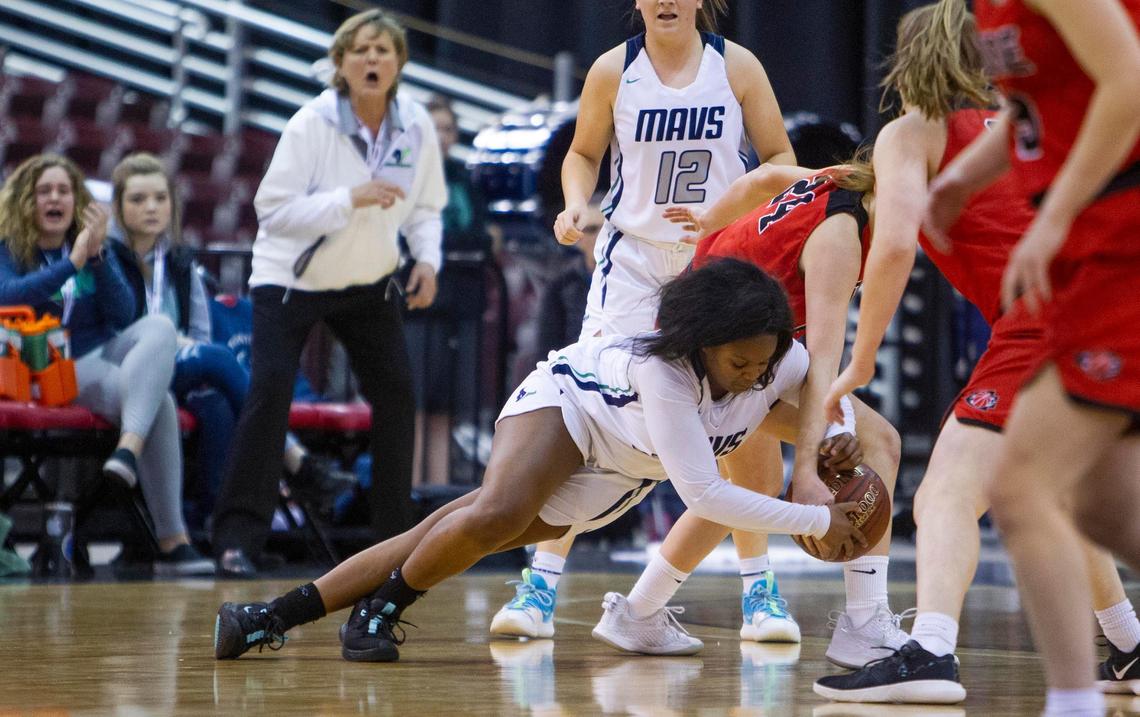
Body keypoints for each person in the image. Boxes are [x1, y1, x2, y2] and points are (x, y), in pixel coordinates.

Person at [213, 258, 868, 663]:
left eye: (763, 364)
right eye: (738, 363)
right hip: (568, 406)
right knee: (495, 513)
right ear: (700, 344)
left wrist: (835, 427)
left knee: (446, 532)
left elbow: (820, 393)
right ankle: (380, 611)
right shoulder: (663, 373)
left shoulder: (776, 359)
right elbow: (705, 496)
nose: (754, 374)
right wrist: (812, 521)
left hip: (619, 472)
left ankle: (270, 617)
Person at [803, 0, 1140, 704]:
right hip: (1093, 290)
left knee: (946, 491)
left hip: (1046, 308)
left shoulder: (910, 132)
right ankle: (1130, 643)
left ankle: (930, 647)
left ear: (908, 61)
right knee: (1071, 495)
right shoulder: (1024, 124)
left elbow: (893, 245)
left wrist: (861, 361)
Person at [492, 0, 798, 641]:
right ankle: (539, 586)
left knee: (750, 400)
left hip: (716, 256)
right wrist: (577, 203)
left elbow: (779, 162)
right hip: (632, 263)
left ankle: (760, 589)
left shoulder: (736, 65)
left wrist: (731, 208)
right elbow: (581, 154)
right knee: (585, 411)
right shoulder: (613, 69)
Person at [919, 1, 1140, 715]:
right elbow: (1032, 107)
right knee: (1100, 506)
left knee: (1020, 486)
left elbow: (1131, 83)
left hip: (1121, 240)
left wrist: (1052, 215)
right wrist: (960, 180)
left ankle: (1071, 702)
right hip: (1092, 251)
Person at [594, 158, 906, 664]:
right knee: (879, 441)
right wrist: (806, 472)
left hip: (707, 324)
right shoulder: (841, 240)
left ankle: (638, 612)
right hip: (728, 351)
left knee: (748, 489)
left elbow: (763, 179)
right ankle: (865, 623)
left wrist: (708, 230)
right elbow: (822, 365)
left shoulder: (842, 178)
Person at [209, 9, 447, 577]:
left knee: (396, 394)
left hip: (367, 281)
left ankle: (395, 543)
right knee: (268, 396)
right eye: (361, 50)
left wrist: (430, 261)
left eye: (384, 51)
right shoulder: (311, 124)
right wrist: (349, 199)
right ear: (340, 63)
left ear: (399, 64)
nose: (372, 59)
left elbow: (428, 205)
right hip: (291, 279)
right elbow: (272, 210)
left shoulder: (415, 124)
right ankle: (237, 538)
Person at [105, 152, 354, 531]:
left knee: (218, 402)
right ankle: (296, 460)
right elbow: (109, 329)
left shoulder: (181, 262)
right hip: (126, 372)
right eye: (138, 200)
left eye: (160, 198)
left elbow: (201, 332)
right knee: (219, 360)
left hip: (182, 366)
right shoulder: (105, 258)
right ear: (119, 208)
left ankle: (214, 522)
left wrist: (186, 346)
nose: (151, 208)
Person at [0, 153, 213, 575]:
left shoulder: (90, 246)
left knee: (158, 327)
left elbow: (123, 315)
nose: (55, 199)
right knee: (161, 403)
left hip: (95, 359)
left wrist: (96, 260)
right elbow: (9, 296)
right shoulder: (9, 248)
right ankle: (172, 541)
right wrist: (72, 264)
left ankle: (127, 453)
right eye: (45, 191)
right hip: (39, 369)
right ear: (27, 200)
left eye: (64, 190)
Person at [405, 95, 493, 487]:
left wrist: (448, 246)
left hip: (459, 307)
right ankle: (411, 489)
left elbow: (482, 236)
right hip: (417, 307)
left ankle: (436, 493)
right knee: (417, 406)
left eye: (447, 129)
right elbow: (408, 236)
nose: (441, 137)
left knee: (445, 409)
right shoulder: (405, 175)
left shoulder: (463, 178)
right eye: (433, 128)